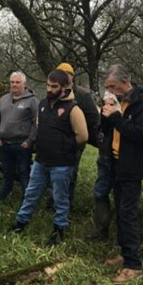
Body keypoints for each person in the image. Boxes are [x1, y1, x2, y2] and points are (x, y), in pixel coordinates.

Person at [11, 69, 88, 246]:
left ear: (64, 87)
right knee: (31, 193)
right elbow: (38, 126)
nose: (49, 89)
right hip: (41, 161)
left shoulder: (73, 109)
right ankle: (21, 222)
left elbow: (82, 136)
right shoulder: (43, 104)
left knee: (60, 198)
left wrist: (65, 147)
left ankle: (59, 229)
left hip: (61, 164)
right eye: (48, 85)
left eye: (54, 86)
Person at [96, 64, 143, 285]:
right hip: (116, 163)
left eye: (113, 86)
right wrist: (105, 115)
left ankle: (133, 265)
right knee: (121, 211)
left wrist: (115, 118)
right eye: (107, 87)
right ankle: (123, 252)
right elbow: (109, 129)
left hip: (132, 166)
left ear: (126, 81)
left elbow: (140, 135)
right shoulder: (117, 101)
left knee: (128, 214)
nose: (110, 90)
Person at [56, 62, 99, 204]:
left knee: (70, 172)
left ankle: (67, 203)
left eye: (65, 74)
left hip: (75, 141)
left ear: (72, 76)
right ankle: (55, 200)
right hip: (57, 140)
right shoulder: (55, 92)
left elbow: (94, 118)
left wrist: (78, 127)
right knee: (56, 171)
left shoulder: (82, 94)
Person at [0, 71, 38, 200]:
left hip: (22, 144)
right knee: (7, 172)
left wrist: (30, 140)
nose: (14, 85)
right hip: (4, 143)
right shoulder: (3, 99)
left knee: (24, 172)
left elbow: (37, 123)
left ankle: (27, 198)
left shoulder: (32, 101)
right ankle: (5, 196)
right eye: (12, 82)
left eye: (17, 82)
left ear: (24, 84)